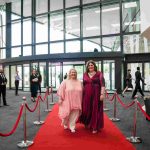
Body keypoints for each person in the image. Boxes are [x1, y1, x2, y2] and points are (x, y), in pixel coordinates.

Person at [79, 60, 105, 134]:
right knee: (86, 109)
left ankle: (94, 126)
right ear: (87, 67)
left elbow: (103, 84)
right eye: (89, 65)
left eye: (92, 65)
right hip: (86, 94)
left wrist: (102, 94)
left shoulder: (99, 73)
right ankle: (87, 123)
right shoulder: (85, 74)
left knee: (95, 109)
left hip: (96, 95)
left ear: (94, 66)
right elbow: (82, 85)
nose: (90, 66)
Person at [57, 68, 83, 133]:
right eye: (72, 72)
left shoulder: (79, 82)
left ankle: (72, 126)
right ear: (69, 73)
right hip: (67, 101)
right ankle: (65, 123)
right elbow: (61, 90)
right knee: (66, 115)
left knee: (74, 115)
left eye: (74, 72)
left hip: (77, 101)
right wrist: (60, 99)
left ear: (76, 74)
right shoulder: (65, 82)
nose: (73, 73)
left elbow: (82, 91)